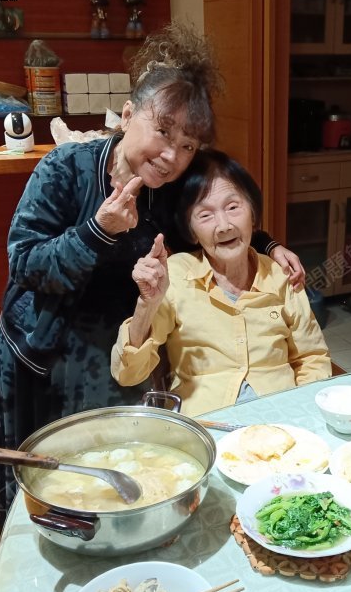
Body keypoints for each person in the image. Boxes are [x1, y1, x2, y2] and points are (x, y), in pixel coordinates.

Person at [0, 23, 304, 512]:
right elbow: (24, 263)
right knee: (41, 494)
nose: (172, 155)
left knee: (114, 489)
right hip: (43, 361)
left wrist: (268, 244)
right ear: (128, 114)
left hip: (120, 362)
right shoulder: (65, 168)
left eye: (188, 145)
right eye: (163, 131)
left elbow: (218, 211)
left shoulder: (172, 189)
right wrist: (98, 230)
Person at [111, 150, 331, 416]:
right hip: (208, 425)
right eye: (205, 215)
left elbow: (312, 358)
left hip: (281, 419)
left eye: (233, 207)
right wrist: (147, 304)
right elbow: (128, 374)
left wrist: (305, 414)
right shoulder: (175, 276)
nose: (224, 225)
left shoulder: (281, 274)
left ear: (253, 214)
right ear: (191, 231)